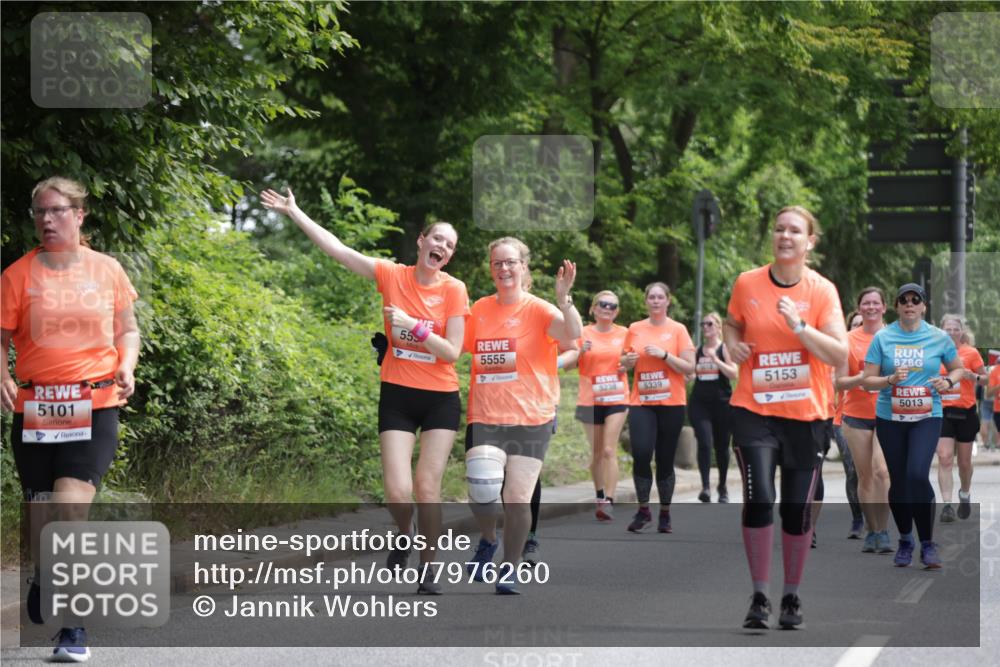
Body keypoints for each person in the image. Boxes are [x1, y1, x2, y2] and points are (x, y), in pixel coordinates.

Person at [261, 187, 468, 595]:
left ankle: (428, 568)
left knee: (427, 487)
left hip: (440, 398)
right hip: (397, 393)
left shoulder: (453, 289)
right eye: (436, 238)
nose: (441, 245)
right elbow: (340, 251)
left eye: (449, 243)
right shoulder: (393, 275)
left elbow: (452, 353)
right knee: (397, 490)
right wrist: (295, 212)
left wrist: (413, 325)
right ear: (421, 242)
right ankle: (404, 534)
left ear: (450, 255)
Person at [1, 176, 140, 662]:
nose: (46, 220)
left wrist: (126, 364)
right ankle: (46, 573)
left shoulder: (106, 270)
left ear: (79, 215)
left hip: (95, 405)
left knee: (69, 513)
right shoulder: (18, 275)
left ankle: (73, 628)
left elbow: (128, 330)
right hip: (36, 409)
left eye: (57, 210)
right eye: (39, 212)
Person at [724, 205, 847, 630]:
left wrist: (800, 328)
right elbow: (732, 323)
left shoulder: (822, 291)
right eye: (779, 229)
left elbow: (838, 353)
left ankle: (791, 596)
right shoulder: (747, 283)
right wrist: (732, 346)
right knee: (760, 498)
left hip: (806, 415)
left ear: (810, 242)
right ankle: (759, 596)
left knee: (795, 512)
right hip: (754, 410)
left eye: (795, 231)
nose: (785, 236)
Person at [463, 237, 581, 594]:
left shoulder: (541, 310)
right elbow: (452, 343)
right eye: (497, 263)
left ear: (523, 267)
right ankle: (487, 539)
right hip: (485, 415)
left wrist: (564, 299)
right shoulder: (479, 310)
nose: (504, 269)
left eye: (511, 262)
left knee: (516, 497)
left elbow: (573, 334)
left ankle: (510, 568)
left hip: (532, 417)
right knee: (482, 486)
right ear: (491, 269)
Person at [862, 283, 964, 570]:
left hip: (927, 416)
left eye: (915, 300)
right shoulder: (883, 337)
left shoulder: (938, 337)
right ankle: (906, 540)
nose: (909, 304)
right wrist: (889, 380)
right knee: (899, 481)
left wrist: (948, 381)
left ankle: (928, 543)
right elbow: (867, 380)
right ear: (896, 306)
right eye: (904, 300)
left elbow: (957, 368)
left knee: (917, 475)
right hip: (890, 418)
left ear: (923, 306)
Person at [622, 282, 696, 534]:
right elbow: (623, 362)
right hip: (642, 402)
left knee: (665, 460)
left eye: (659, 297)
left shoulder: (678, 330)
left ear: (667, 301)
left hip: (671, 403)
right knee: (641, 453)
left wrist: (665, 355)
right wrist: (627, 361)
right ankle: (643, 510)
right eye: (651, 297)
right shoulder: (635, 328)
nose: (655, 301)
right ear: (646, 302)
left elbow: (689, 367)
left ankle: (665, 513)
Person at [560, 291, 629, 520]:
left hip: (617, 398)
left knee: (609, 450)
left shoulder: (625, 334)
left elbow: (632, 360)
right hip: (590, 400)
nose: (607, 308)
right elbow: (568, 366)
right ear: (593, 308)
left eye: (612, 305)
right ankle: (600, 495)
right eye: (603, 304)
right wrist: (580, 351)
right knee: (597, 454)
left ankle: (609, 499)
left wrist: (628, 363)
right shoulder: (582, 333)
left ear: (617, 311)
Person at [835, 288, 893, 554]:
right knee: (865, 476)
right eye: (865, 303)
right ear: (859, 309)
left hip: (888, 413)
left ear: (884, 307)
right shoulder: (847, 340)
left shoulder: (896, 336)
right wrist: (863, 378)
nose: (870, 307)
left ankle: (883, 528)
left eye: (875, 303)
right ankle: (872, 529)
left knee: (882, 471)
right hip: (856, 415)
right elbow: (839, 381)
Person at [935, 316, 986, 522]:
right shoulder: (935, 352)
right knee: (945, 457)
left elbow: (986, 379)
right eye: (948, 329)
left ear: (961, 331)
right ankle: (946, 504)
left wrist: (972, 376)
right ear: (941, 331)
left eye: (956, 329)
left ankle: (964, 494)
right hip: (942, 411)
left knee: (964, 463)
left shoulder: (971, 353)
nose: (952, 332)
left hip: (965, 412)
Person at [689, 311, 737, 504]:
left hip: (722, 404)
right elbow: (691, 372)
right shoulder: (697, 350)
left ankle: (722, 486)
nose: (705, 327)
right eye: (703, 324)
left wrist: (716, 361)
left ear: (718, 327)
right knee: (704, 443)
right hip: (700, 403)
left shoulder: (723, 348)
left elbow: (733, 373)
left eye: (709, 324)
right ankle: (705, 487)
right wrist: (687, 375)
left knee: (722, 447)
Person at [830, 311, 864, 540]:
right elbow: (833, 382)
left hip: (876, 419)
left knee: (873, 472)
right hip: (843, 418)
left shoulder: (881, 346)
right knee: (852, 471)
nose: (860, 328)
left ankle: (875, 518)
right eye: (855, 325)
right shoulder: (842, 352)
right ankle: (858, 518)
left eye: (862, 324)